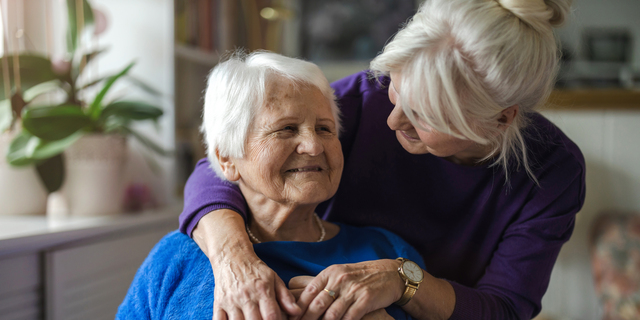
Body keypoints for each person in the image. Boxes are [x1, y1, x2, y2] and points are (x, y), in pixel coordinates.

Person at [180, 0, 586, 319]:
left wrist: (404, 281)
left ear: (500, 119)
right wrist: (234, 261)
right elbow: (223, 166)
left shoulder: (553, 171)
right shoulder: (365, 98)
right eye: (397, 89)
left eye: (425, 114)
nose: (393, 120)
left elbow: (505, 308)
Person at [117, 52, 425, 320]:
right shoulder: (178, 257)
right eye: (286, 129)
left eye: (324, 128)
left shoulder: (390, 254)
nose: (313, 145)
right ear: (227, 159)